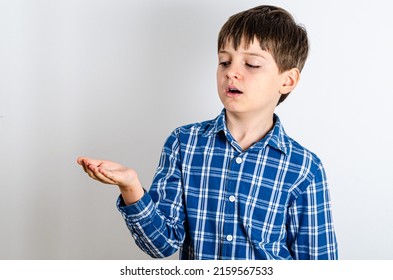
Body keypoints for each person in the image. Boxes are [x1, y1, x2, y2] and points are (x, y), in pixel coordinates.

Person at [77, 5, 338, 260]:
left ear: (287, 80)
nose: (232, 73)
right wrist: (130, 185)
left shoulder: (304, 168)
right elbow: (161, 245)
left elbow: (318, 263)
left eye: (252, 64)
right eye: (224, 62)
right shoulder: (184, 143)